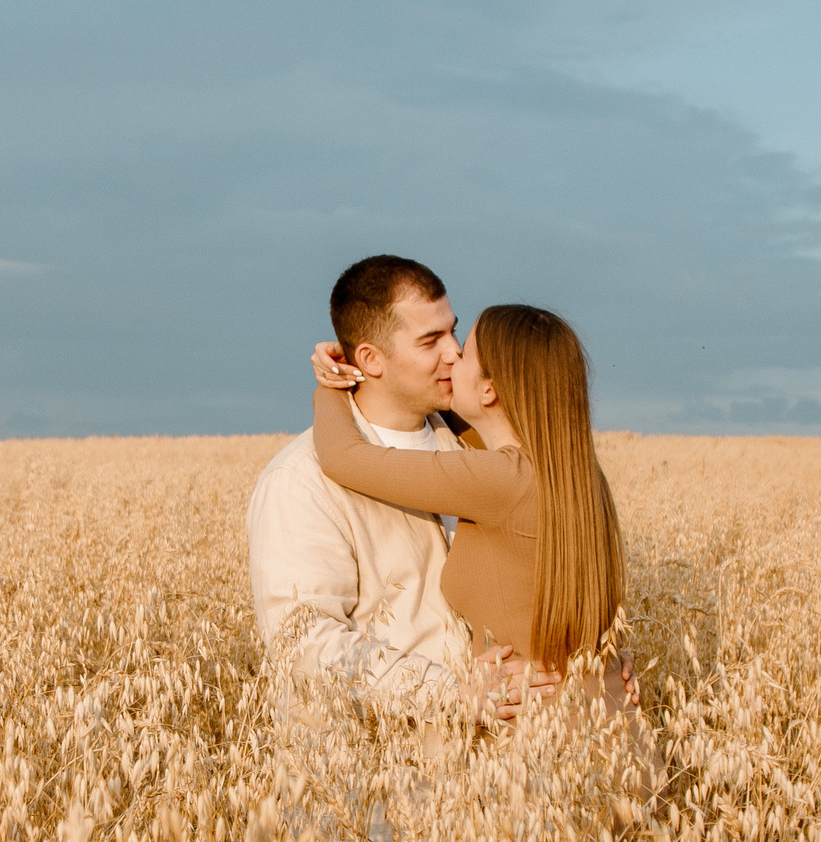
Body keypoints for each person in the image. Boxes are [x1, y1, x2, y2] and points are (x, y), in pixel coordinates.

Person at [247, 256, 551, 728]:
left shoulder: (474, 447)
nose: (454, 352)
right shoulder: (301, 479)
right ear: (370, 359)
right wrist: (454, 694)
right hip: (377, 782)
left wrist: (597, 670)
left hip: (492, 777)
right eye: (431, 340)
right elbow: (304, 643)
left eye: (452, 331)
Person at [307, 302, 641, 726]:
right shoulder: (574, 473)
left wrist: (333, 384)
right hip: (611, 722)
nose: (449, 357)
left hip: (546, 742)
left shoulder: (501, 477)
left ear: (489, 391)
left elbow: (343, 457)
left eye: (463, 351)